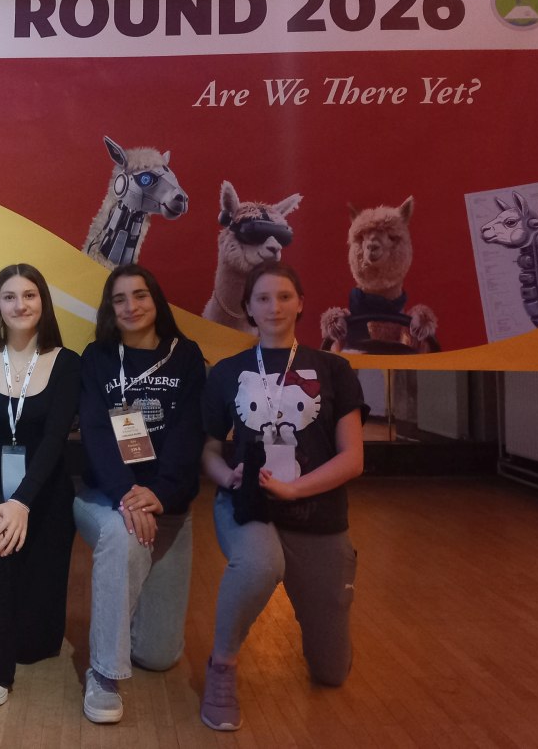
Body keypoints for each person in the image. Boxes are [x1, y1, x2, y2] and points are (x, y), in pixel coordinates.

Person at [199, 260, 367, 731]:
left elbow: (353, 458)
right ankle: (222, 667)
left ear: (301, 304)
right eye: (263, 298)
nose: (274, 307)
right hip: (250, 507)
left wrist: (294, 488)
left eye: (284, 297)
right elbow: (208, 452)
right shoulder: (227, 372)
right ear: (248, 308)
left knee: (332, 672)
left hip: (316, 514)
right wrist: (226, 477)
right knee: (258, 564)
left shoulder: (334, 369)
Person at [74, 264, 205, 724]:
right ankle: (104, 673)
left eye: (140, 295)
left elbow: (190, 433)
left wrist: (161, 493)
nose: (131, 306)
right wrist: (128, 493)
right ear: (109, 310)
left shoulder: (186, 355)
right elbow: (95, 433)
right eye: (119, 299)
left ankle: (120, 619)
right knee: (123, 535)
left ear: (156, 301)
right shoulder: (96, 358)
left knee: (158, 655)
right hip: (106, 497)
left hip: (168, 506)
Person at [0, 263, 80, 708]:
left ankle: (15, 640)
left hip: (44, 496)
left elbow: (54, 439)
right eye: (9, 296)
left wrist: (22, 502)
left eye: (29, 295)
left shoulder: (67, 363)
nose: (20, 304)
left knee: (34, 645)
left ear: (43, 302)